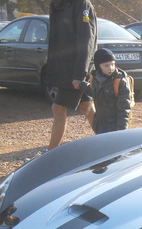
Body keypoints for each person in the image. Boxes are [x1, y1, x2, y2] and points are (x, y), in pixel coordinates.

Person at [46, 0, 97, 150]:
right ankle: (112, 142)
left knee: (58, 108)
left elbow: (86, 40)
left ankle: (51, 153)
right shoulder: (56, 4)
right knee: (86, 106)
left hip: (76, 68)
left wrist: (80, 74)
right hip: (64, 67)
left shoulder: (81, 4)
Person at [80, 48, 133, 134]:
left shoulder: (119, 81)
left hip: (115, 126)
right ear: (98, 66)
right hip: (100, 124)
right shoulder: (94, 78)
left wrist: (122, 131)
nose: (110, 68)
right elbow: (93, 91)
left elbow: (124, 108)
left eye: (113, 64)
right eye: (106, 65)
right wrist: (81, 85)